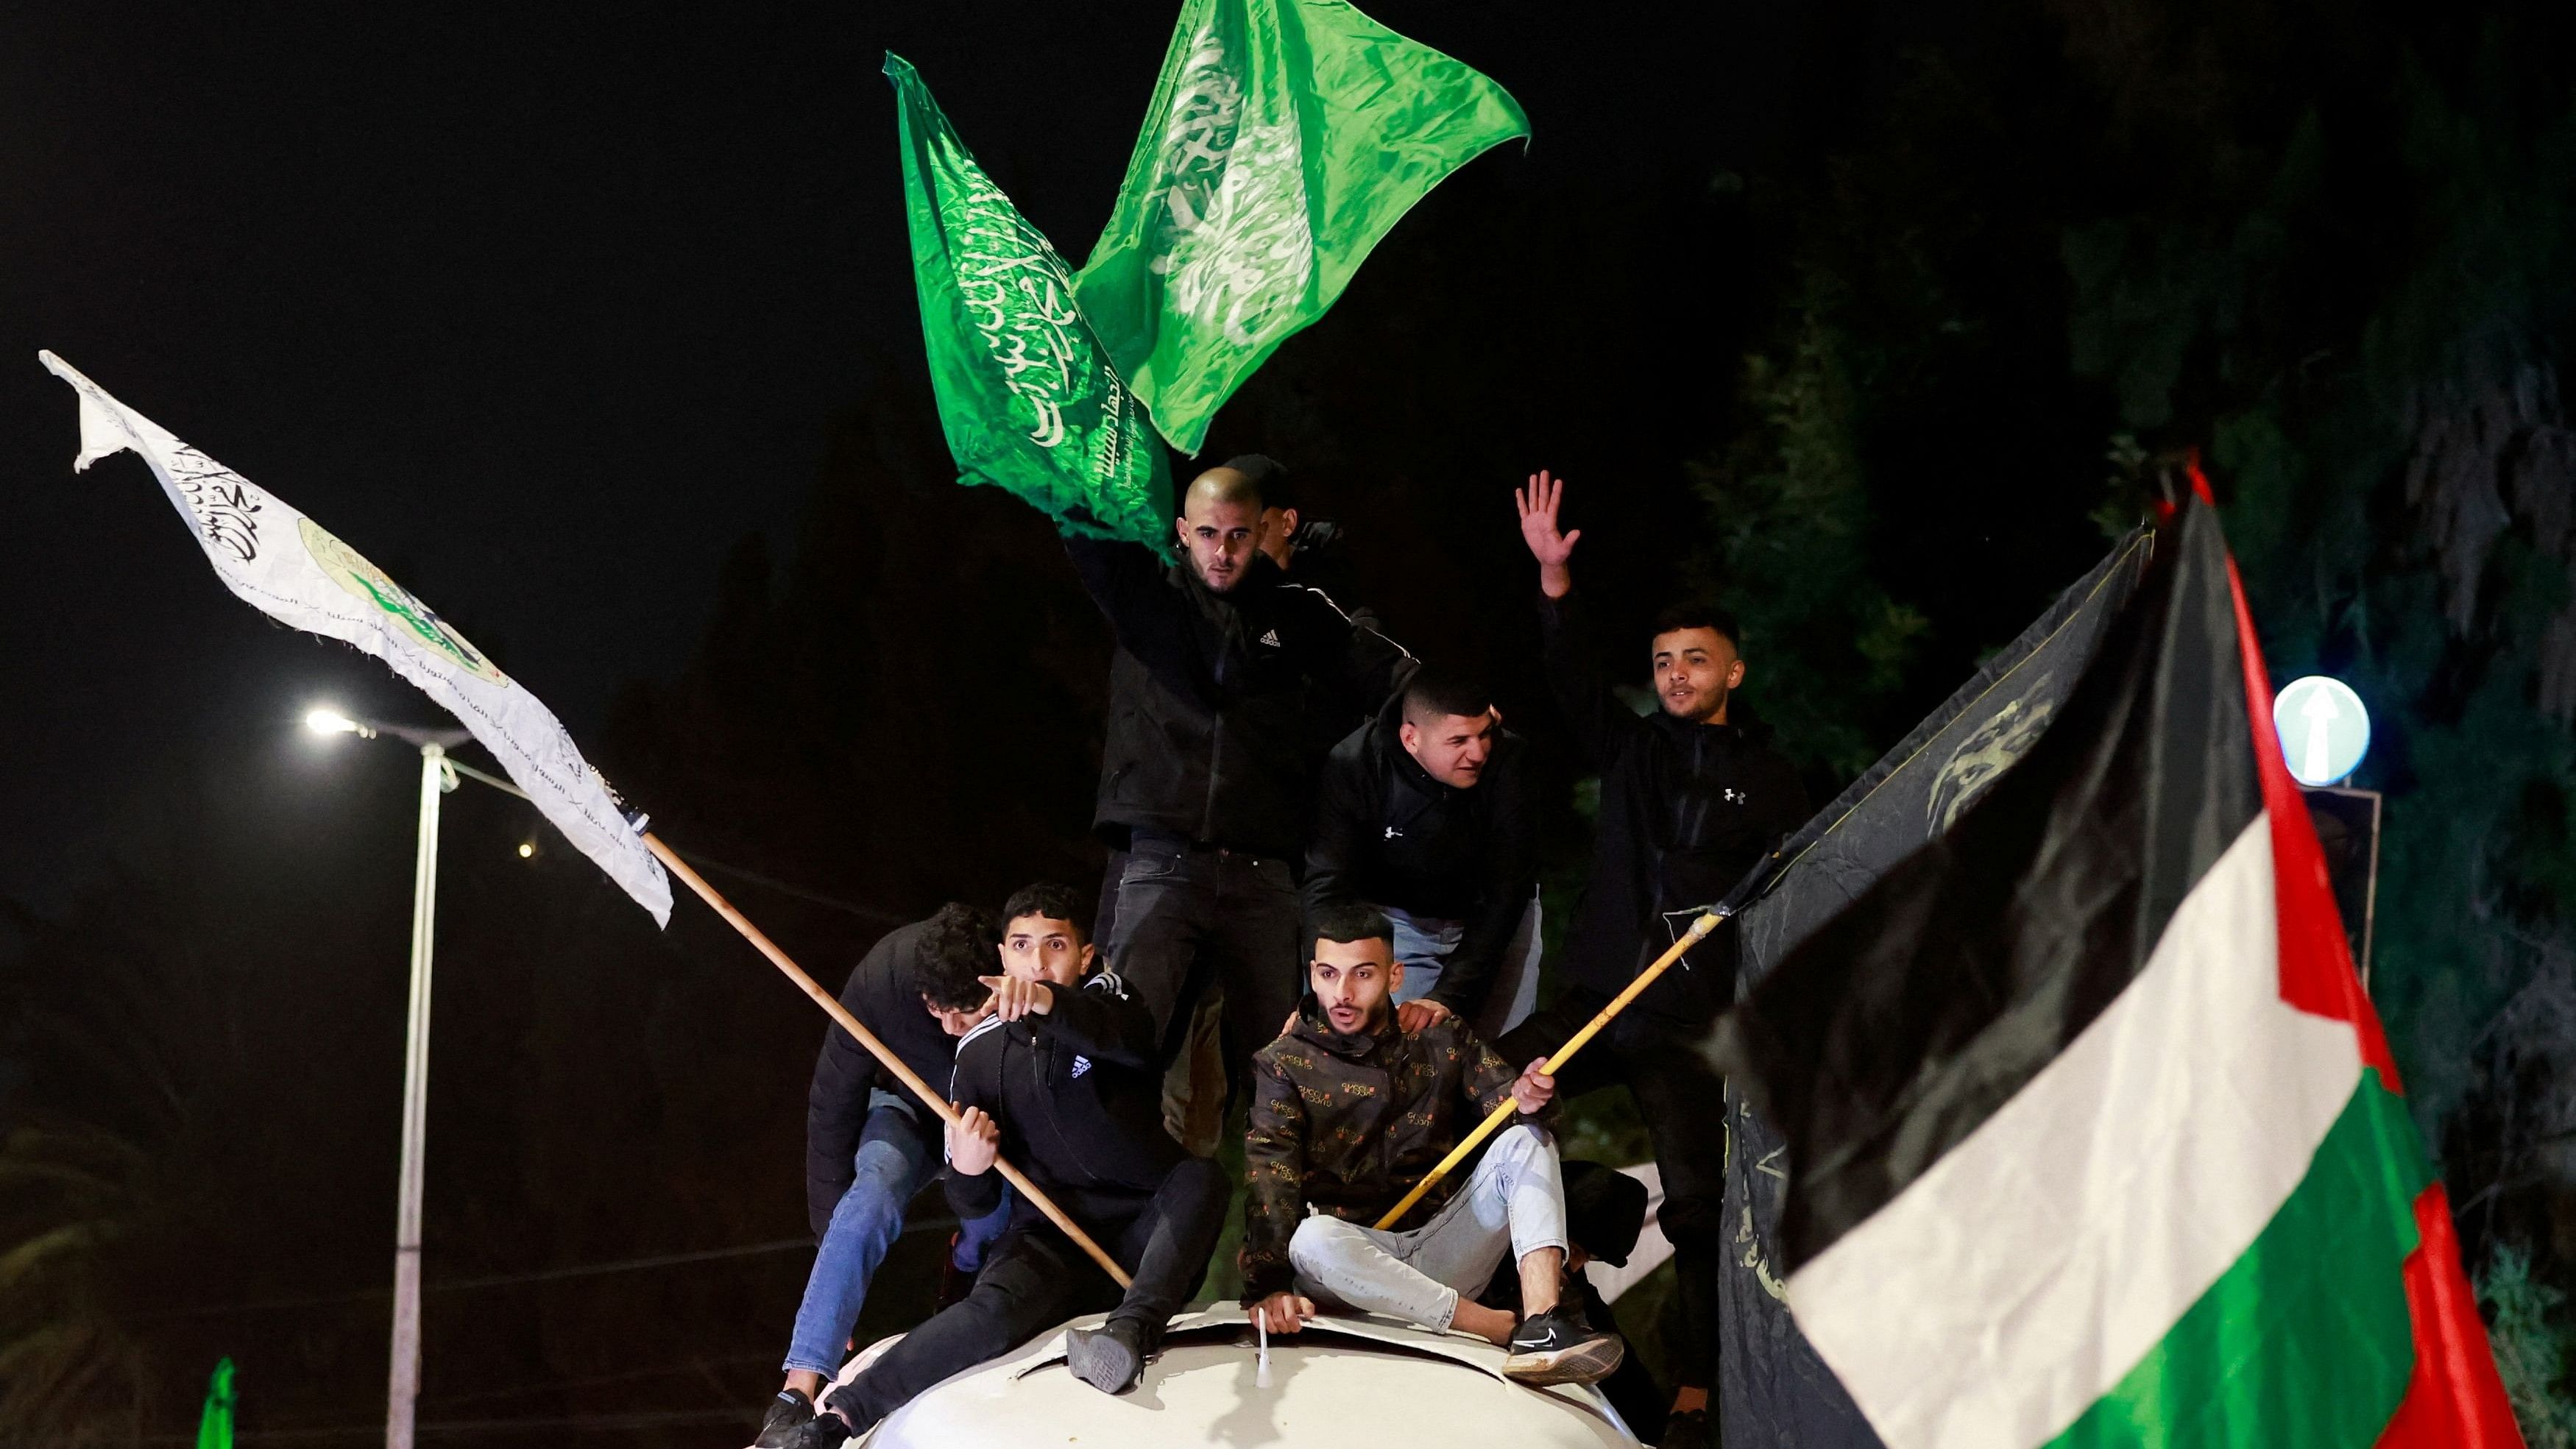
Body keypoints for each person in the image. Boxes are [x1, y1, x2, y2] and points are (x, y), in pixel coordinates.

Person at [1502, 470, 1810, 1449]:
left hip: (1688, 1028)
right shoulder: (1632, 750)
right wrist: (1554, 582)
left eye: (1696, 660)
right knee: (1485, 1087)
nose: (1677, 673)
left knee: (1701, 1206)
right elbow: (1570, 682)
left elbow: (1796, 896)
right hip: (1601, 1002)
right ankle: (1544, 1266)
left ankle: (1696, 1384)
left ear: (1734, 672)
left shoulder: (1773, 781)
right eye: (1665, 660)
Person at [799, 884, 1229, 1444]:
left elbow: (1128, 1041)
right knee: (990, 1312)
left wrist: (1048, 1002)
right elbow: (973, 1203)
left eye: (1056, 946)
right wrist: (971, 1169)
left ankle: (1128, 1332)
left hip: (1144, 1231)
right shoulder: (977, 1052)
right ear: (1002, 957)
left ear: (1085, 956)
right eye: (1023, 946)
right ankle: (841, 1416)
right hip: (1050, 1236)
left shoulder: (1112, 1002)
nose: (1038, 961)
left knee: (1202, 1177)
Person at [1066, 458, 1414, 1152]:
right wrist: (1068, 479)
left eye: (1237, 536)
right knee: (1125, 1040)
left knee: (1281, 1062)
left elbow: (1380, 664)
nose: (1222, 551)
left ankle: (1300, 1229)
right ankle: (1112, 1197)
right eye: (1207, 535)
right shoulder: (1151, 599)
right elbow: (1093, 544)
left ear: (1263, 532)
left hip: (1261, 873)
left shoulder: (1297, 608)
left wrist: (1450, 711)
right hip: (1163, 863)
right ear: (1181, 534)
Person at [1239, 904, 1624, 1386]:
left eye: (1362, 973)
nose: (1342, 992)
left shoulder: (1441, 1037)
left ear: (1394, 975)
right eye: (1328, 973)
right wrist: (1269, 1285)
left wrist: (1530, 1100)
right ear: (1312, 976)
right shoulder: (1283, 1062)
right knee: (1313, 1239)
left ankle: (1542, 1324)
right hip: (1353, 1268)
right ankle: (1493, 1325)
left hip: (1443, 1247)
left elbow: (1523, 1112)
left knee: (1526, 1138)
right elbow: (1270, 1174)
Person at [750, 904, 1017, 1448]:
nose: (949, 1028)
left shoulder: (1019, 975)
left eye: (965, 1017)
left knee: (992, 1219)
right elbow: (831, 1108)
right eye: (937, 1013)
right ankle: (796, 1392)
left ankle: (964, 1271)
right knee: (870, 1197)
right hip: (907, 1111)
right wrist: (834, 1246)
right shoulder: (881, 980)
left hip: (995, 1127)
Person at [1303, 668, 1543, 1043]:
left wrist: (1448, 995)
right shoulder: (1356, 764)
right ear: (1411, 738)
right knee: (1395, 1052)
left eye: (1484, 734)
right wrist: (1325, 985)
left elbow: (1506, 892)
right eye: (1459, 740)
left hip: (1497, 917)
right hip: (1401, 921)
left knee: (1502, 1058)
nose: (1478, 752)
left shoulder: (1512, 761)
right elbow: (1327, 883)